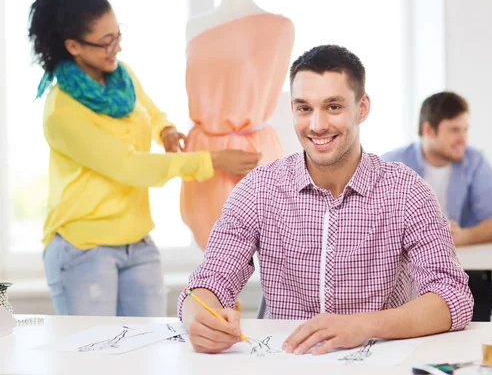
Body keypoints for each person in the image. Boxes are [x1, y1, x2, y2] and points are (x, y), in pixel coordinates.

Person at [179, 45, 473, 355]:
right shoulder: (259, 189)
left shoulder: (406, 191)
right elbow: (206, 284)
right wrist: (202, 320)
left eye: (333, 107)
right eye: (304, 108)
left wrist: (363, 325)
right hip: (284, 364)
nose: (317, 125)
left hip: (378, 363)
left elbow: (452, 295)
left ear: (362, 108)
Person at [28, 0, 261, 317]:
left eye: (118, 34)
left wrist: (164, 130)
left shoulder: (120, 76)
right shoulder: (61, 113)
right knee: (94, 361)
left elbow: (148, 111)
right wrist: (212, 160)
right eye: (106, 41)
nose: (117, 47)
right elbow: (127, 166)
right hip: (82, 247)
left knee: (149, 350)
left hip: (137, 242)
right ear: (74, 46)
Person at [382, 92, 492, 322]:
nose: (463, 139)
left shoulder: (475, 161)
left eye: (465, 129)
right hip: (407, 275)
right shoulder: (392, 164)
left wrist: (463, 236)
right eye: (454, 130)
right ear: (429, 130)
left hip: (467, 272)